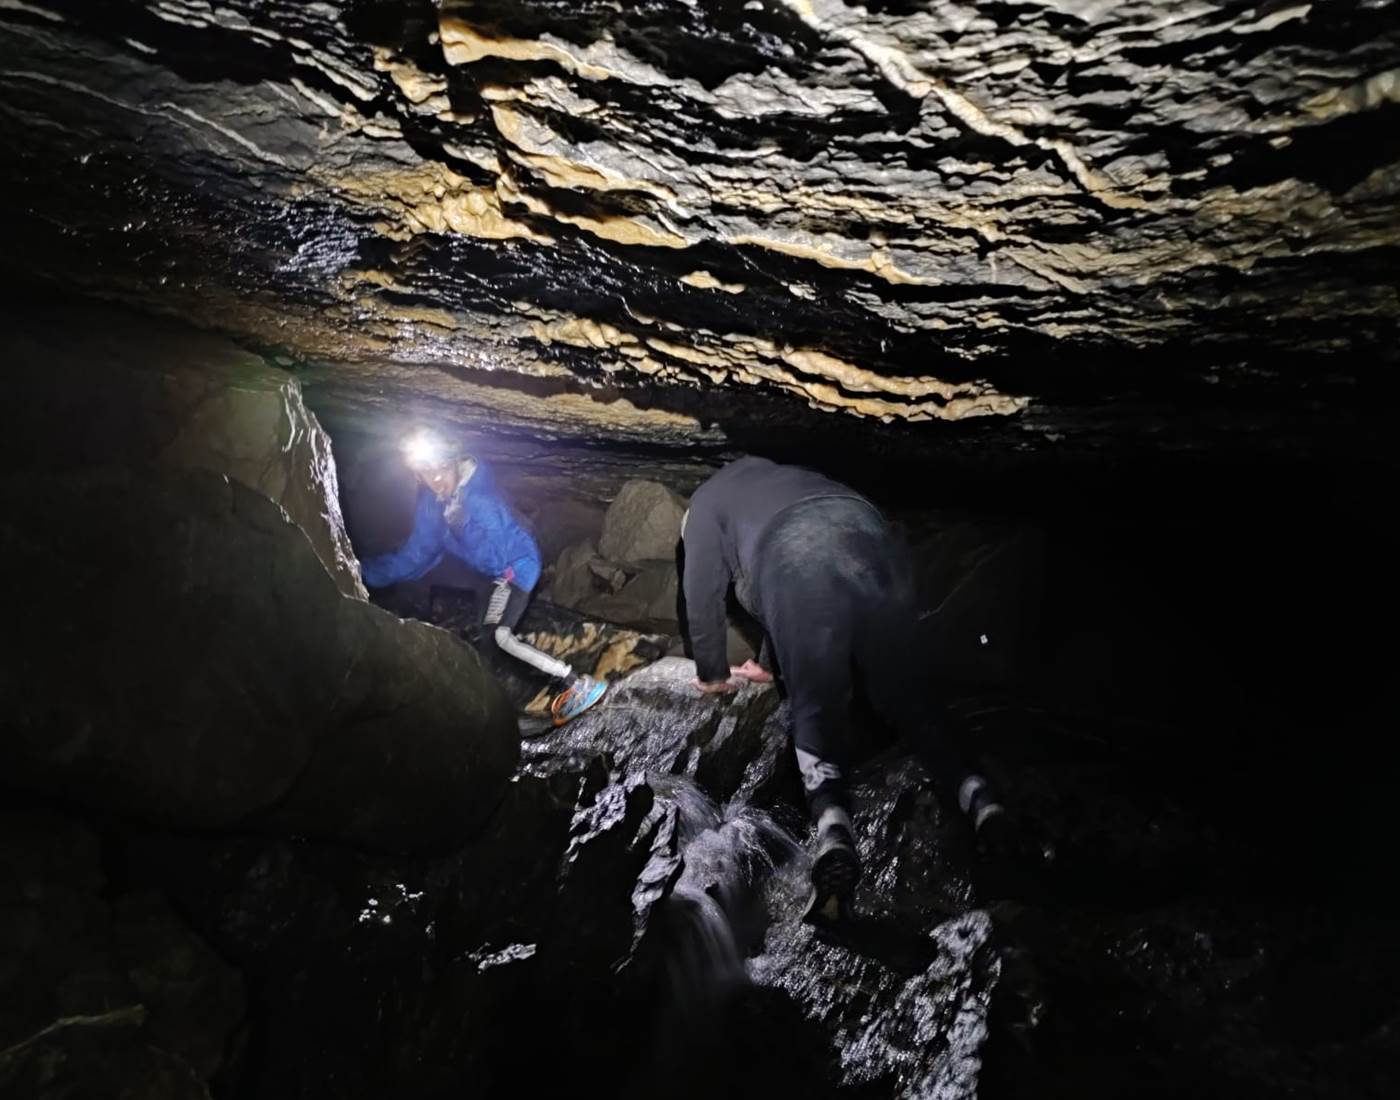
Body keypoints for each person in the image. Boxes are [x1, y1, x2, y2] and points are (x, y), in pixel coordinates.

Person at [681, 456, 1006, 921]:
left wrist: (712, 670)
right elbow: (777, 603)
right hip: (871, 534)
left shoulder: (705, 502)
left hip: (797, 547)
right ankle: (981, 800)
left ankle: (834, 829)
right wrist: (771, 667)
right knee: (906, 693)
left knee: (816, 702)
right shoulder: (769, 481)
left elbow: (702, 588)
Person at [359, 426, 608, 726]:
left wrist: (464, 527)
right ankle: (512, 710)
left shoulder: (479, 500)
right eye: (427, 472)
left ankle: (577, 684)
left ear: (453, 462)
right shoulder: (435, 506)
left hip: (516, 566)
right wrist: (360, 572)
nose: (436, 479)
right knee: (486, 636)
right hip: (490, 572)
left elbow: (501, 555)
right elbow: (414, 558)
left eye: (441, 468)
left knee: (500, 636)